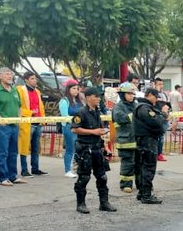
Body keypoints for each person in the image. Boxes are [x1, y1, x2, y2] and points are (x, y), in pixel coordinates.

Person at [70, 86, 116, 214]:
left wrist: (105, 146)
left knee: (102, 177)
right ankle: (81, 204)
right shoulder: (81, 113)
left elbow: (99, 130)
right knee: (84, 177)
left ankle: (104, 203)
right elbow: (74, 129)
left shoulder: (97, 111)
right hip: (85, 149)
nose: (98, 99)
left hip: (97, 148)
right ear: (89, 97)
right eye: (96, 96)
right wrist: (93, 132)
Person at [134, 87, 168, 204]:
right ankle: (146, 195)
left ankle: (142, 192)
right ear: (149, 95)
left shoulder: (145, 107)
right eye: (155, 96)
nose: (156, 100)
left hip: (146, 140)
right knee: (148, 167)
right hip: (147, 141)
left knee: (143, 167)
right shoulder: (144, 108)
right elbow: (156, 121)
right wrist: (164, 114)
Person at [16, 71, 46, 176]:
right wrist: (29, 112)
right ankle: (24, 170)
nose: (35, 80)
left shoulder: (37, 91)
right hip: (27, 122)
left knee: (36, 147)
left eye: (35, 78)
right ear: (26, 80)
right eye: (32, 78)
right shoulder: (20, 91)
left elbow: (41, 106)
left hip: (37, 122)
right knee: (24, 146)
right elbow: (17, 108)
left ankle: (35, 168)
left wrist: (43, 119)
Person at [112, 82, 138, 192]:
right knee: (128, 163)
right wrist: (136, 115)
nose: (131, 96)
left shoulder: (136, 105)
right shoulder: (118, 107)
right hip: (125, 140)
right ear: (122, 95)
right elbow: (121, 118)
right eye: (129, 94)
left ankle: (141, 184)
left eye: (133, 94)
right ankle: (126, 184)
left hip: (137, 140)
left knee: (139, 162)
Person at [58, 79, 82, 178]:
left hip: (79, 127)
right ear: (68, 89)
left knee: (78, 149)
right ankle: (68, 170)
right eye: (73, 88)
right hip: (69, 127)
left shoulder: (78, 101)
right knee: (70, 149)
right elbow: (65, 116)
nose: (76, 90)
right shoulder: (64, 101)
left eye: (77, 88)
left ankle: (77, 167)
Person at [153, 77, 169, 160]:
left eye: (162, 84)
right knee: (156, 137)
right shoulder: (153, 94)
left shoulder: (164, 94)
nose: (161, 86)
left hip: (164, 118)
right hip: (157, 118)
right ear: (154, 85)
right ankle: (155, 153)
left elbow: (167, 105)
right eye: (159, 84)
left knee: (162, 137)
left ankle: (159, 153)